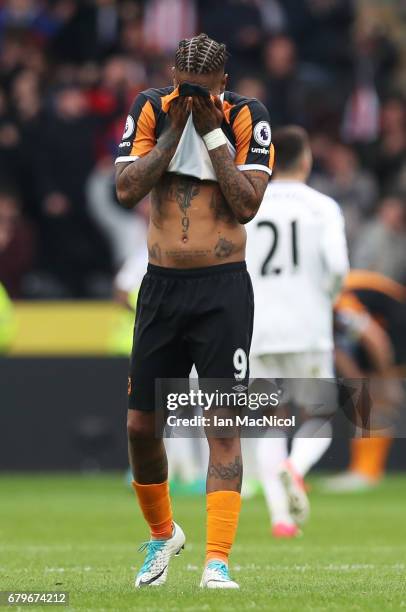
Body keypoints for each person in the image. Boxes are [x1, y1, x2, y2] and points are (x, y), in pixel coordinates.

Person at [115, 33, 273, 588]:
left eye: (203, 93)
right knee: (140, 425)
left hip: (222, 290)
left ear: (223, 85)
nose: (192, 99)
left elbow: (248, 204)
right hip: (161, 288)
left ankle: (217, 561)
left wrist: (208, 130)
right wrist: (173, 133)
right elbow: (126, 189)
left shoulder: (247, 116)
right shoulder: (152, 109)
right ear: (169, 75)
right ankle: (162, 536)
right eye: (185, 90)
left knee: (222, 425)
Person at [245, 126, 349, 537]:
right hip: (308, 327)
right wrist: (327, 297)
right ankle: (297, 466)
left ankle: (282, 519)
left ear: (269, 161)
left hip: (260, 328)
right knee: (320, 415)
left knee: (271, 420)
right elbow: (338, 267)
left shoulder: (249, 205)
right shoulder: (322, 206)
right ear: (305, 160)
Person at [325, 270, 406, 492]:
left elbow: (375, 339)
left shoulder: (337, 298)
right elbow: (336, 350)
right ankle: (363, 469)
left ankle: (368, 471)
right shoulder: (321, 310)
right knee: (364, 396)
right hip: (377, 326)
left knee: (380, 397)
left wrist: (388, 380)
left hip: (395, 321)